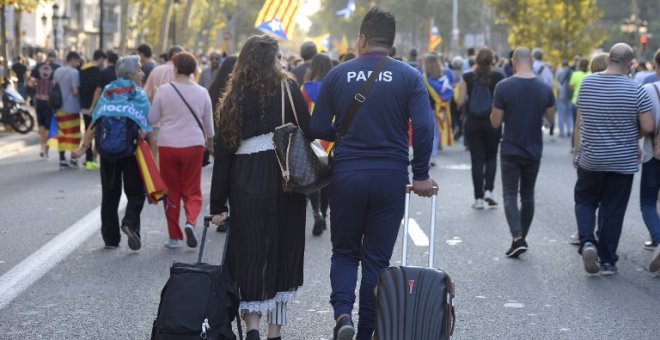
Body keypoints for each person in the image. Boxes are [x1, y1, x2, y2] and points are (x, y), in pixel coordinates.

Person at [309, 8, 436, 340]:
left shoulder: (338, 75)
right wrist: (420, 173)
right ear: (390, 43)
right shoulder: (409, 76)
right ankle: (366, 331)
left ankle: (341, 316)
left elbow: (318, 127)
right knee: (377, 260)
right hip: (390, 177)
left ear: (362, 39)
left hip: (348, 175)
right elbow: (423, 127)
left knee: (345, 252)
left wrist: (346, 134)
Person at [210, 34, 311, 340]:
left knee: (251, 251)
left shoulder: (236, 92)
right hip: (285, 176)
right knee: (284, 250)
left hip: (246, 178)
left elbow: (224, 152)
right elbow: (306, 130)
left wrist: (218, 205)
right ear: (274, 58)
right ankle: (275, 331)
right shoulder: (289, 86)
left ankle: (251, 326)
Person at [573, 43, 654, 276]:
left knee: (585, 201)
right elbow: (648, 126)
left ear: (609, 59)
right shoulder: (636, 89)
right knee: (613, 209)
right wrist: (630, 132)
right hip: (622, 161)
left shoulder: (587, 83)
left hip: (591, 158)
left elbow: (582, 117)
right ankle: (608, 260)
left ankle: (588, 242)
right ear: (630, 63)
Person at [73, 55, 153, 250]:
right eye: (139, 70)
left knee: (110, 193)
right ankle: (130, 224)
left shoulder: (108, 90)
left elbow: (96, 121)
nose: (142, 73)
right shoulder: (138, 93)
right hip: (130, 151)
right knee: (135, 193)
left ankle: (110, 239)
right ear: (131, 73)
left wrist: (84, 146)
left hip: (106, 149)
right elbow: (147, 127)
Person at [490, 47, 556, 257]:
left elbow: (495, 122)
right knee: (527, 195)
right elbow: (551, 119)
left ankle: (517, 238)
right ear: (532, 62)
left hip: (510, 147)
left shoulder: (503, 86)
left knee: (509, 194)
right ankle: (521, 238)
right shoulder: (544, 87)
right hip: (534, 148)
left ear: (513, 62)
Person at [149, 52, 214, 249]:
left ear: (175, 68)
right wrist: (209, 148)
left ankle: (173, 237)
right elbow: (209, 127)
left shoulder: (163, 91)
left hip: (168, 144)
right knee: (192, 188)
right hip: (194, 145)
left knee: (172, 190)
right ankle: (190, 222)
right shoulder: (202, 92)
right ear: (194, 70)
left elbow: (152, 119)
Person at [457, 48, 505, 209]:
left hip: (473, 122)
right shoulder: (499, 77)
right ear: (493, 60)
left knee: (476, 160)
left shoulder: (468, 77)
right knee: (491, 157)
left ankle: (478, 198)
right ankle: (489, 191)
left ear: (476, 60)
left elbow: (459, 101)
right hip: (493, 121)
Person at [301, 53, 334, 236]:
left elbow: (301, 113)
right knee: (329, 180)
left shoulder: (305, 89)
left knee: (315, 179)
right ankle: (325, 212)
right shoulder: (337, 86)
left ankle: (317, 212)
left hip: (313, 138)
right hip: (332, 138)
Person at [640, 49, 660, 265]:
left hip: (653, 153)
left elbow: (644, 127)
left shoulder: (649, 89)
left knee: (647, 202)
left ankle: (658, 238)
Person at [53, 52, 82, 170]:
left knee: (62, 133)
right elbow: (75, 91)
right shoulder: (74, 73)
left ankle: (62, 159)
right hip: (72, 107)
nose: (78, 63)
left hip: (59, 107)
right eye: (77, 61)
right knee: (74, 133)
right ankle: (73, 158)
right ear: (73, 60)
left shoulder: (57, 71)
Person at [422, 53, 454, 164]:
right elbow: (450, 92)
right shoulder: (443, 79)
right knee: (435, 133)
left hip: (423, 109)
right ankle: (432, 156)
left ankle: (424, 155)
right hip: (438, 109)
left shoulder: (422, 77)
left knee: (423, 133)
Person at [78, 49, 107, 170]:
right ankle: (92, 159)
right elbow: (98, 89)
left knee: (87, 130)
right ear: (100, 59)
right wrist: (93, 106)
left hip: (83, 105)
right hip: (95, 107)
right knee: (97, 131)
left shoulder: (82, 70)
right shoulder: (97, 71)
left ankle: (88, 159)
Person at [30, 50, 60, 159]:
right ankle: (45, 148)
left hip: (39, 99)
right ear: (55, 57)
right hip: (51, 100)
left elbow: (31, 82)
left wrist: (37, 86)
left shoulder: (38, 67)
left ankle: (42, 146)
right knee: (49, 124)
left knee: (41, 124)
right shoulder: (57, 67)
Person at [555, 60, 573, 138]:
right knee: (569, 114)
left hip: (560, 96)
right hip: (569, 96)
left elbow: (556, 84)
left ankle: (561, 132)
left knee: (561, 114)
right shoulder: (571, 72)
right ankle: (569, 130)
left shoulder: (559, 72)